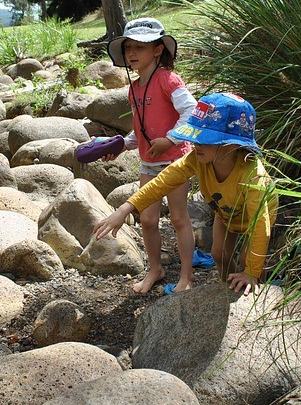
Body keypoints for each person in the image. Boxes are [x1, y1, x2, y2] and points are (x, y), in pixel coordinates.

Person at [93, 93, 278, 294]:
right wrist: (125, 208)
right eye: (194, 137)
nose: (195, 144)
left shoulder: (252, 176)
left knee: (247, 260)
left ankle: (255, 281)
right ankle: (230, 288)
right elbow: (163, 182)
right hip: (226, 212)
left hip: (255, 216)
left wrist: (251, 271)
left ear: (233, 145)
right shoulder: (198, 158)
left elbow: (261, 226)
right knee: (219, 254)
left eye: (204, 139)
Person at [104, 17, 197, 294]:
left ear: (158, 50)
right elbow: (141, 128)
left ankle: (186, 276)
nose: (132, 53)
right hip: (149, 162)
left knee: (179, 218)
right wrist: (121, 145)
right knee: (147, 219)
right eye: (128, 47)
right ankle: (155, 269)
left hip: (175, 161)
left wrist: (171, 138)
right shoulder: (134, 88)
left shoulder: (168, 80)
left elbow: (192, 112)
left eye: (140, 47)